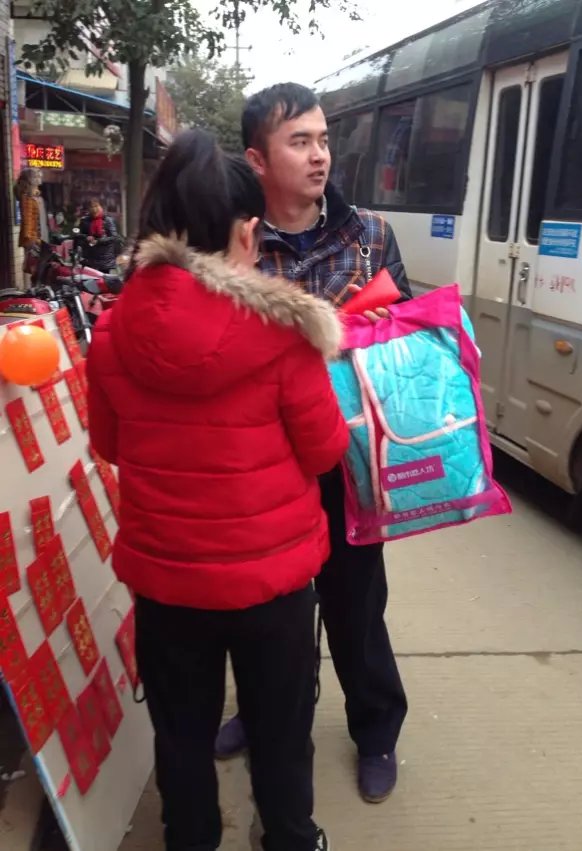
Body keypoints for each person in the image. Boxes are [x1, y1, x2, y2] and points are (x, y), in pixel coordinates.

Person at [86, 129, 349, 851]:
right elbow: (325, 449)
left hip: (167, 581)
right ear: (243, 231)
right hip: (274, 583)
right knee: (281, 729)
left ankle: (191, 838)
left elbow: (110, 445)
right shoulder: (284, 333)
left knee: (181, 733)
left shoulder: (112, 331)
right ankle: (291, 837)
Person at [215, 83, 412, 805]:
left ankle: (377, 731)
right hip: (268, 470)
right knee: (271, 614)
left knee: (357, 608)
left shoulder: (370, 236)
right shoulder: (234, 241)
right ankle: (262, 711)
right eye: (299, 142)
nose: (320, 155)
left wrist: (385, 333)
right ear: (257, 159)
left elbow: (405, 335)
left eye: (323, 139)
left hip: (353, 460)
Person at [79, 198, 119, 272]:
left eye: (96, 206)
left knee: (103, 278)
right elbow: (80, 235)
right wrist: (86, 237)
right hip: (90, 257)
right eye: (92, 207)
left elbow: (114, 237)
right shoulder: (85, 221)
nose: (94, 209)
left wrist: (98, 241)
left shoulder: (108, 220)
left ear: (101, 207)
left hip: (104, 258)